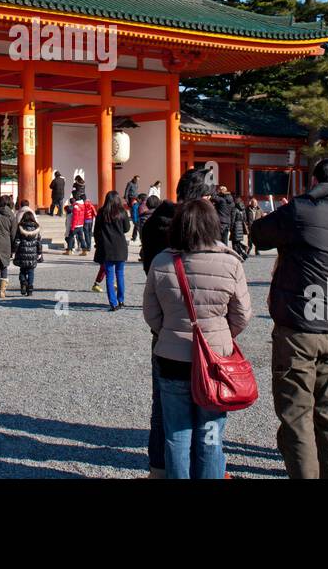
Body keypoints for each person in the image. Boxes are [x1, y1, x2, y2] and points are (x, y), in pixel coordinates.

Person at [251, 158, 328, 480]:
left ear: (315, 180)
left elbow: (259, 234)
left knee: (296, 415)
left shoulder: (303, 209)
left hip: (299, 328)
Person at [143, 197, 252, 479]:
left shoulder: (162, 261)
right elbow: (241, 315)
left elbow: (151, 315)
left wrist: (168, 332)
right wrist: (221, 337)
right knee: (211, 434)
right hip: (215, 362)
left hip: (171, 359)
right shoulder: (231, 263)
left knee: (176, 434)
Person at [139, 168, 213, 478]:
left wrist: (161, 325)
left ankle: (159, 468)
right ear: (204, 198)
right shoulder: (208, 230)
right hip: (208, 332)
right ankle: (206, 468)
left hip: (167, 326)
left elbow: (150, 300)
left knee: (165, 407)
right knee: (209, 406)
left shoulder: (156, 224)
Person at [95, 190, 131, 311]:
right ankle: (121, 300)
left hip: (107, 247)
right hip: (120, 247)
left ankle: (113, 303)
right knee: (120, 274)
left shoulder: (101, 212)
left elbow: (96, 232)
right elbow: (126, 228)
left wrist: (98, 243)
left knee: (109, 276)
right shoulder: (122, 212)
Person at [13, 205, 43, 295]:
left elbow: (17, 241)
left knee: (22, 270)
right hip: (33, 253)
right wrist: (39, 252)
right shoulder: (37, 228)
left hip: (22, 252)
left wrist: (14, 250)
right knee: (31, 271)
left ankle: (23, 283)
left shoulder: (20, 227)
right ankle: (30, 288)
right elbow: (39, 242)